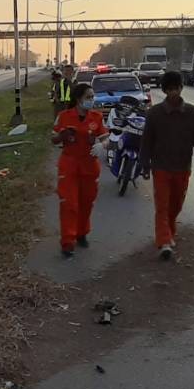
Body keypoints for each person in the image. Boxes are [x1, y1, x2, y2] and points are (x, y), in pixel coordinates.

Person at [141, 70, 194, 261]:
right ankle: (164, 242)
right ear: (164, 90)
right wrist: (144, 165)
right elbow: (146, 141)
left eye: (176, 89)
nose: (173, 93)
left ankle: (169, 232)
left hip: (182, 167)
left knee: (176, 205)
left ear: (181, 88)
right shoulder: (154, 114)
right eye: (169, 90)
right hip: (161, 167)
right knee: (162, 205)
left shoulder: (193, 113)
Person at [51, 81, 109, 258]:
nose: (91, 100)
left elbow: (106, 138)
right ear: (78, 99)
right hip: (69, 164)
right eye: (88, 97)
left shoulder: (97, 117)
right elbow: (53, 139)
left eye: (92, 97)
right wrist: (62, 135)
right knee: (69, 203)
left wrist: (103, 145)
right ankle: (68, 241)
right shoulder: (64, 116)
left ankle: (81, 233)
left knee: (86, 202)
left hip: (89, 165)